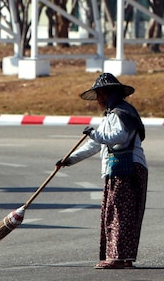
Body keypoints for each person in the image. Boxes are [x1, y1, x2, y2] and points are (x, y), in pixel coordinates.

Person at [56, 73, 148, 269]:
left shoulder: (121, 113)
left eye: (99, 95)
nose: (97, 100)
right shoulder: (111, 115)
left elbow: (118, 136)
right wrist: (69, 160)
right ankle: (121, 257)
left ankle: (117, 258)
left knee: (118, 214)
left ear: (107, 94)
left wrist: (94, 133)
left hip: (126, 168)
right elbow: (95, 145)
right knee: (116, 213)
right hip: (119, 169)